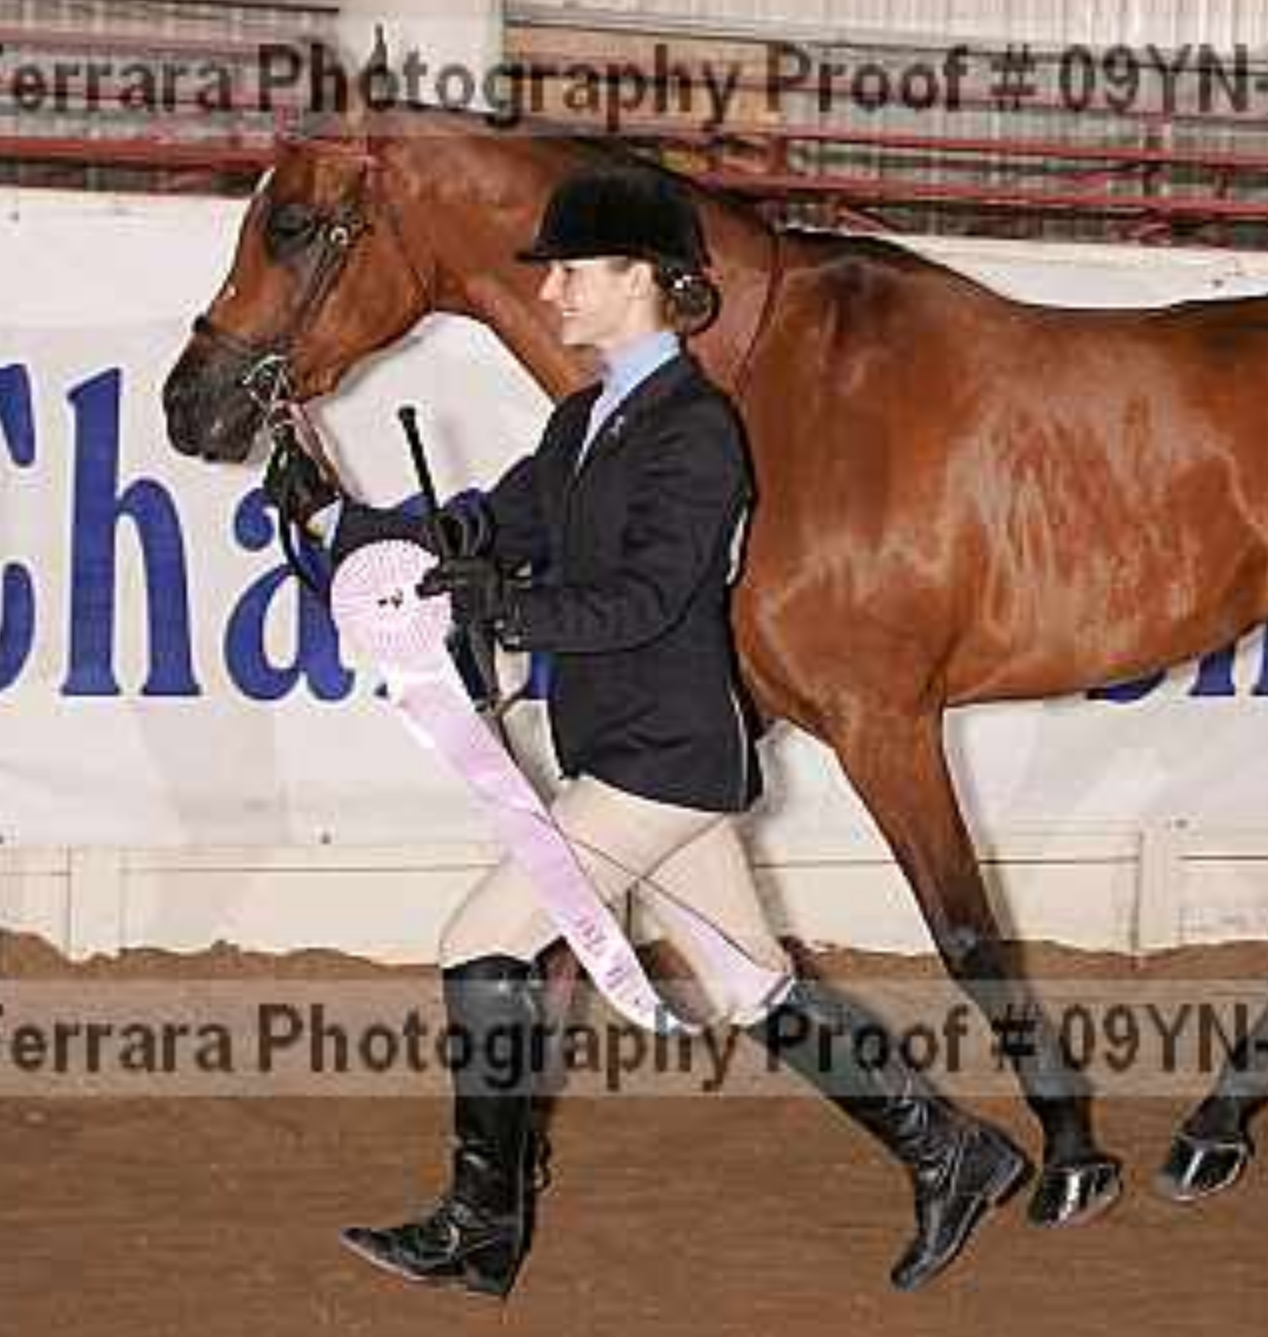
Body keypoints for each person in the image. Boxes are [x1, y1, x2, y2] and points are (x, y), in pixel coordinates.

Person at [269, 165, 1032, 1298]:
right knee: (749, 986)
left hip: (664, 758)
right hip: (629, 750)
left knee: (480, 938)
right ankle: (954, 1150)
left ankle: (485, 1221)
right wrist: (347, 519)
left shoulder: (698, 433)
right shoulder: (584, 419)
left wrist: (506, 607)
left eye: (576, 271)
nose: (556, 291)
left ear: (646, 282)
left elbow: (645, 598)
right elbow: (491, 524)